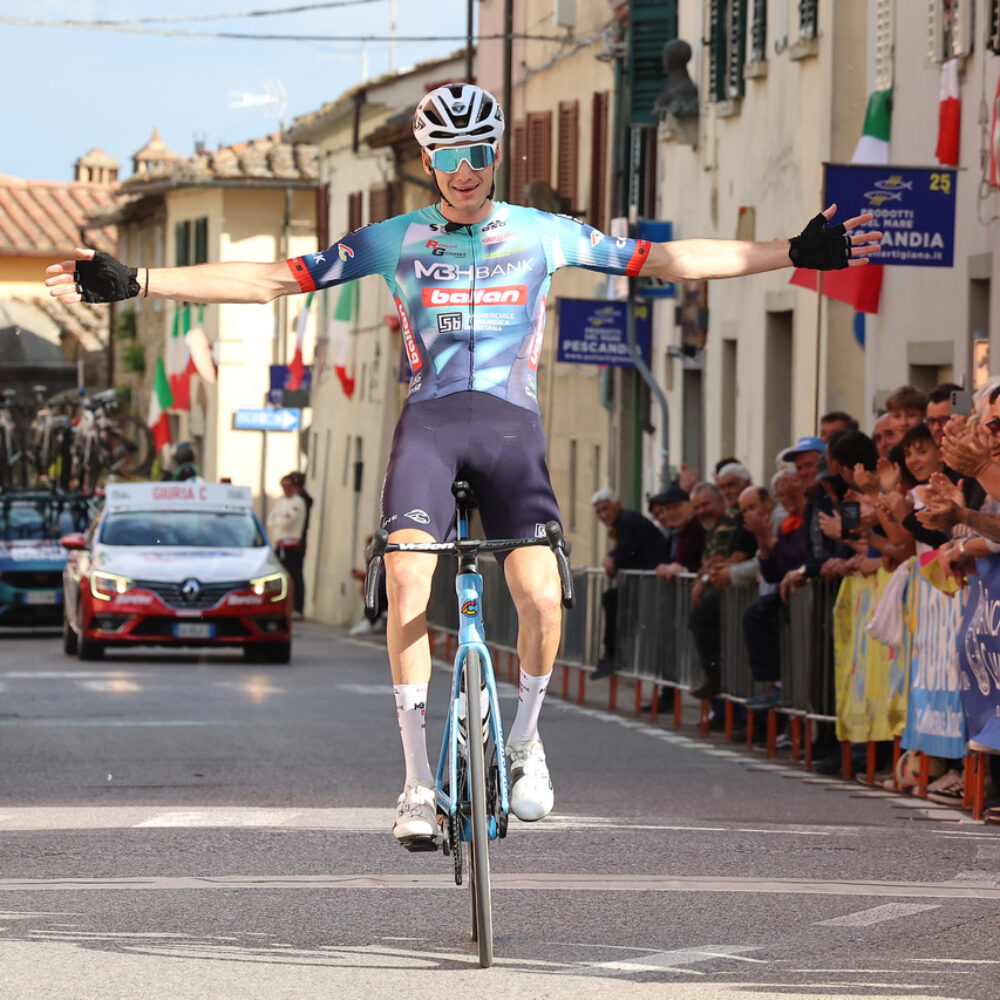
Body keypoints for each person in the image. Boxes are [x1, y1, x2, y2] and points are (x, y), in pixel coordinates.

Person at [43, 82, 880, 849]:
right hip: (431, 426)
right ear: (427, 159)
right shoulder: (392, 239)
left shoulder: (544, 233)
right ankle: (413, 784)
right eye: (450, 155)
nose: (468, 170)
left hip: (512, 431)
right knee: (407, 581)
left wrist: (794, 252)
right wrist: (140, 279)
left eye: (480, 153)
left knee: (542, 597)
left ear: (495, 155)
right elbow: (271, 278)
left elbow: (665, 261)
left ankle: (524, 745)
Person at [591, 487, 671, 679]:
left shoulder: (626, 521)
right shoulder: (624, 522)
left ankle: (615, 655)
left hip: (652, 584)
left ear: (617, 505)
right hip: (645, 583)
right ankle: (615, 654)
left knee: (614, 602)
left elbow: (627, 551)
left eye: (606, 508)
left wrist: (613, 560)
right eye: (599, 511)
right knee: (613, 601)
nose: (603, 514)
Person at [267, 474, 307, 617]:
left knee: (294, 576)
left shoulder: (298, 502)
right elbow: (270, 520)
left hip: (292, 544)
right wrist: (279, 520)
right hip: (280, 543)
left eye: (288, 486)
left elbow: (286, 522)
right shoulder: (281, 501)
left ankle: (297, 607)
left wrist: (279, 520)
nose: (286, 489)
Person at [649, 486, 704, 579]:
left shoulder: (699, 528)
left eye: (676, 507)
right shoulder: (677, 533)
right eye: (668, 509)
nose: (672, 512)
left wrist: (684, 571)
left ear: (690, 505)